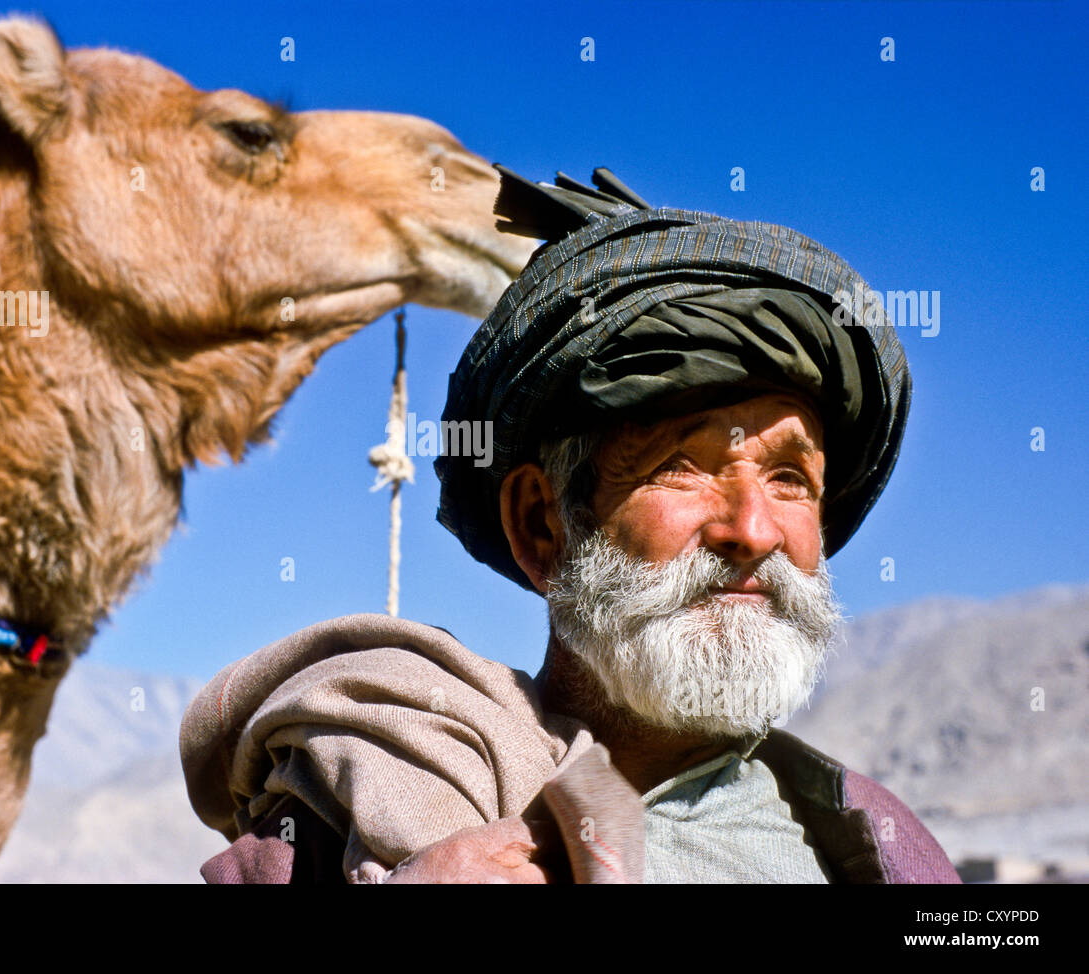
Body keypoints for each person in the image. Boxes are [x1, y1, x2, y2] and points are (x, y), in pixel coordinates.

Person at [179, 165, 960, 884]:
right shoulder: (376, 779)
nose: (753, 530)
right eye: (680, 466)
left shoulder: (874, 843)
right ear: (541, 525)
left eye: (790, 479)